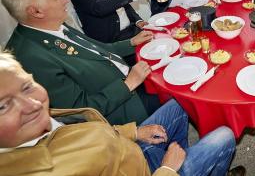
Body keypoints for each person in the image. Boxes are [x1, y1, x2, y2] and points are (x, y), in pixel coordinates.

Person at [0, 52, 237, 176]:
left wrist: (132, 132)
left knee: (180, 102)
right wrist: (167, 169)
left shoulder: (42, 122)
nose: (31, 104)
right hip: (152, 172)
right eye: (3, 106)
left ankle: (188, 155)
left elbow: (84, 132)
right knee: (225, 135)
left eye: (27, 86)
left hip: (127, 150)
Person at [1, 0, 158, 125]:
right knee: (176, 98)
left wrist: (131, 42)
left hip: (130, 80)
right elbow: (80, 111)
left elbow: (99, 50)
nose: (65, 1)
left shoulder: (54, 25)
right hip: (124, 110)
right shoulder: (30, 57)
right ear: (36, 11)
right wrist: (128, 84)